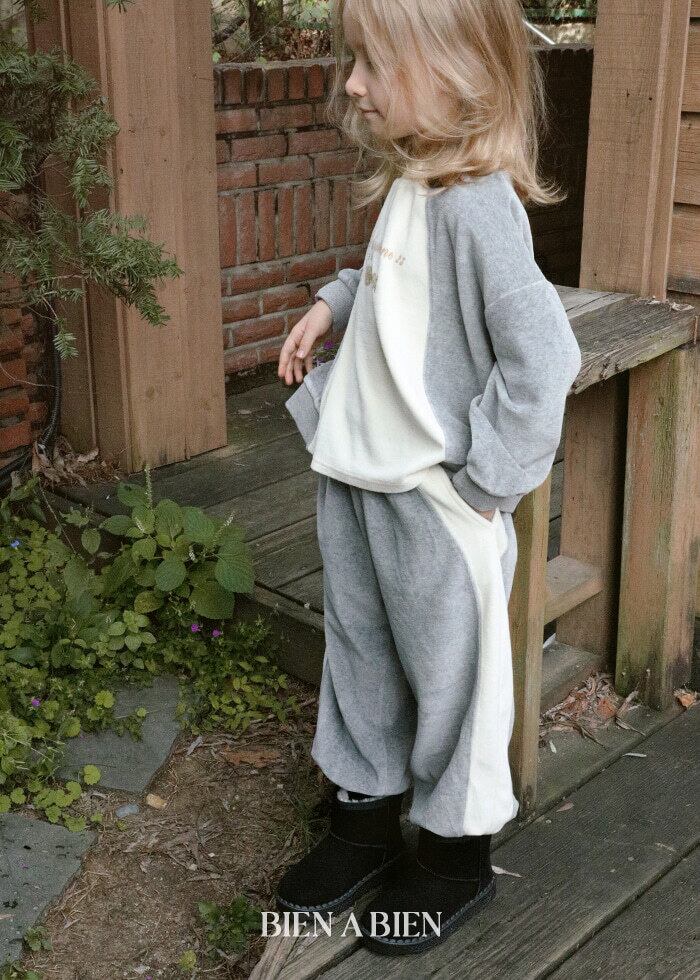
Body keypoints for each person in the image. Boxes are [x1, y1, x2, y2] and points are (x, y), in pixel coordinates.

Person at [274, 0, 582, 956]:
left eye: (373, 62)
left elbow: (544, 359)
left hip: (434, 500)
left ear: (454, 72)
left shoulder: (479, 204)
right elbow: (391, 278)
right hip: (360, 476)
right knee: (361, 653)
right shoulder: (419, 175)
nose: (353, 83)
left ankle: (453, 853)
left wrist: (486, 486)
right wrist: (332, 305)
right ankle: (364, 818)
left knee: (455, 680)